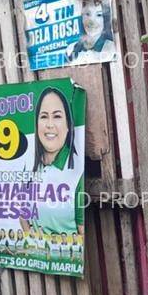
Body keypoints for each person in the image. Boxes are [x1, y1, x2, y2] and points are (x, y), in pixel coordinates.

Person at [20, 87, 85, 247]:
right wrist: (34, 244)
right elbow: (22, 214)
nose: (49, 125)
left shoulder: (78, 172)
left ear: (68, 125)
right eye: (44, 116)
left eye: (57, 116)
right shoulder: (29, 167)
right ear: (37, 125)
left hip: (66, 257)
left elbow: (82, 231)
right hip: (38, 257)